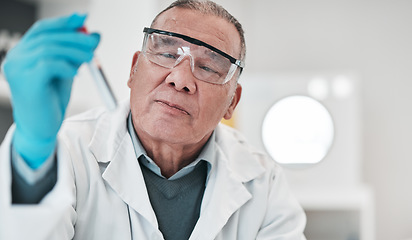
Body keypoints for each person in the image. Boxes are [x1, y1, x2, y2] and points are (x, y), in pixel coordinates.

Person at [0, 0, 306, 239]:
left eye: (210, 67)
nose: (181, 79)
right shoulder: (67, 151)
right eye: (168, 54)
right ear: (134, 70)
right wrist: (33, 159)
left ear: (232, 102)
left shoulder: (264, 184)